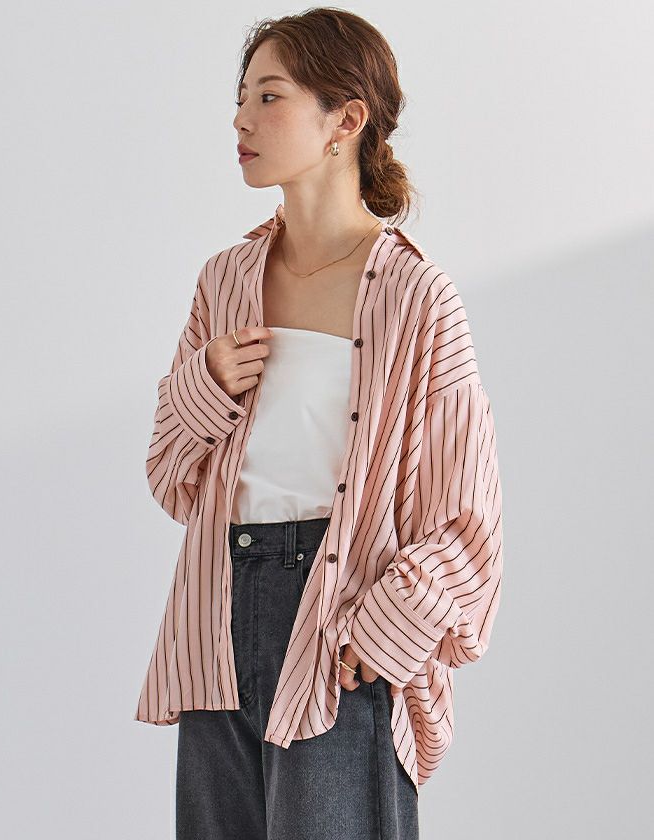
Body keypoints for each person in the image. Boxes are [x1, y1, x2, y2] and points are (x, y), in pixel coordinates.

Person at [135, 8, 504, 840]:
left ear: (346, 120)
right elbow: (169, 475)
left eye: (268, 97)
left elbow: (467, 516)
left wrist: (387, 629)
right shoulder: (225, 281)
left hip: (341, 621)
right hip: (216, 619)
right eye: (240, 99)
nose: (241, 120)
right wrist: (203, 384)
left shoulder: (416, 297)